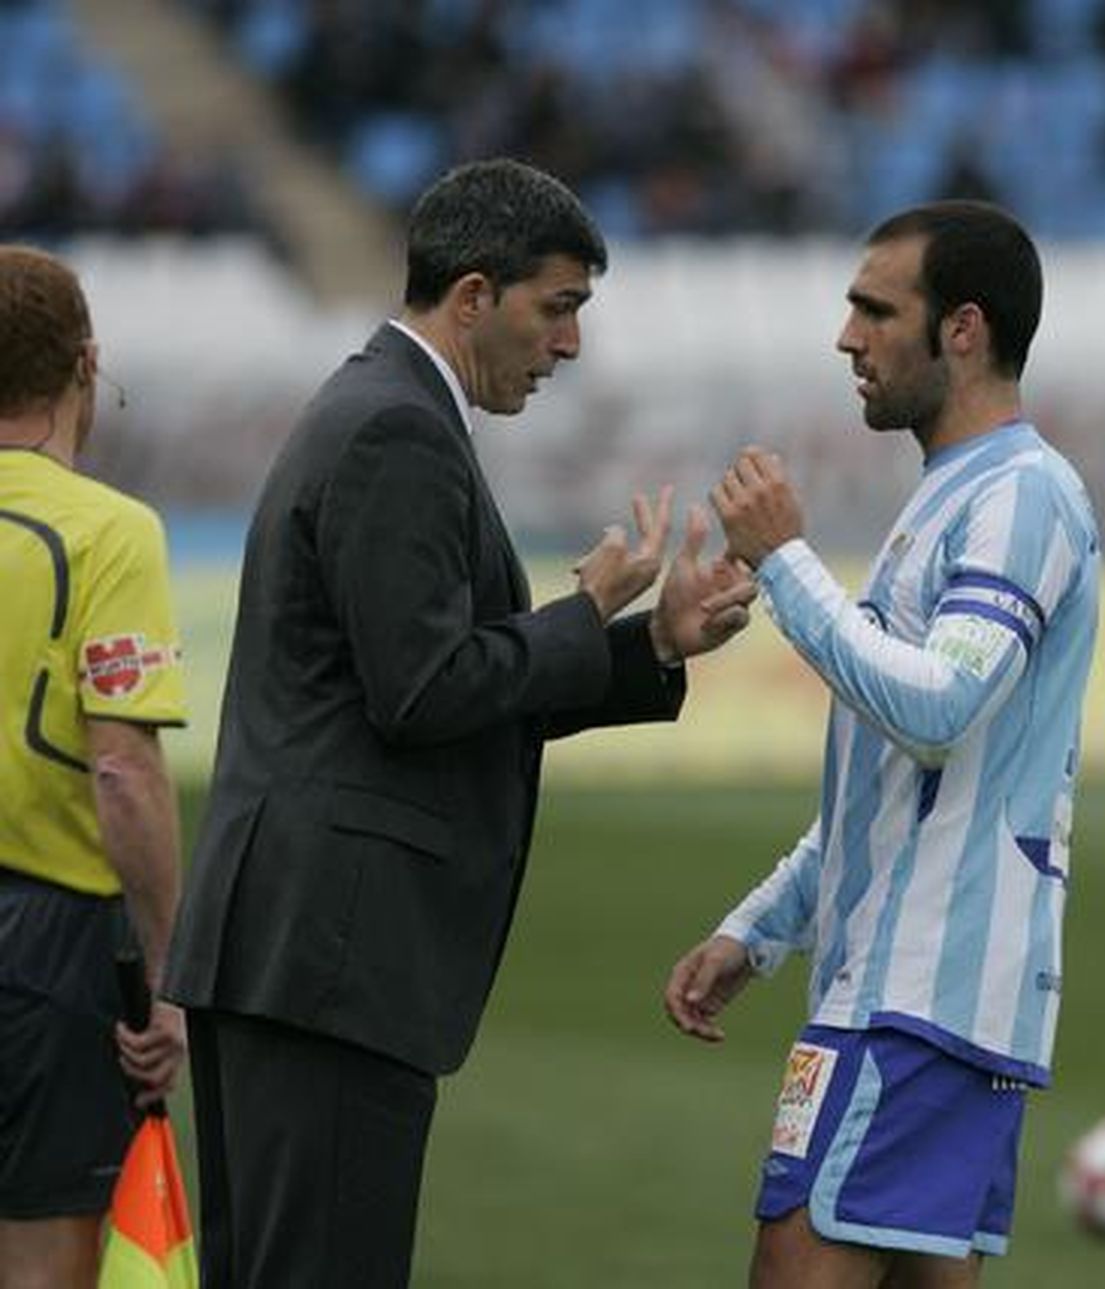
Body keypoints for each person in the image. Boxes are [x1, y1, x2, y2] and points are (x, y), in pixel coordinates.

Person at [163, 158, 755, 1288]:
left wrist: (651, 644)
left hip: (295, 948)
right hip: (334, 955)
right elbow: (424, 689)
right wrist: (587, 613)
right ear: (474, 294)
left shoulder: (383, 408)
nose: (571, 345)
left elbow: (430, 677)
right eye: (559, 307)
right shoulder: (396, 428)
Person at [666, 201, 1101, 1287]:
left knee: (795, 1261)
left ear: (961, 328)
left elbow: (936, 708)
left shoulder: (1022, 495)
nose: (845, 337)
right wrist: (759, 929)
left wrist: (784, 563)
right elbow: (900, 778)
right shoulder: (953, 496)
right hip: (916, 993)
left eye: (873, 309)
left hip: (915, 996)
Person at [0, 245, 188, 1288]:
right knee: (43, 1258)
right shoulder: (108, 532)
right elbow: (122, 769)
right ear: (87, 362)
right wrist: (168, 974)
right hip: (44, 943)